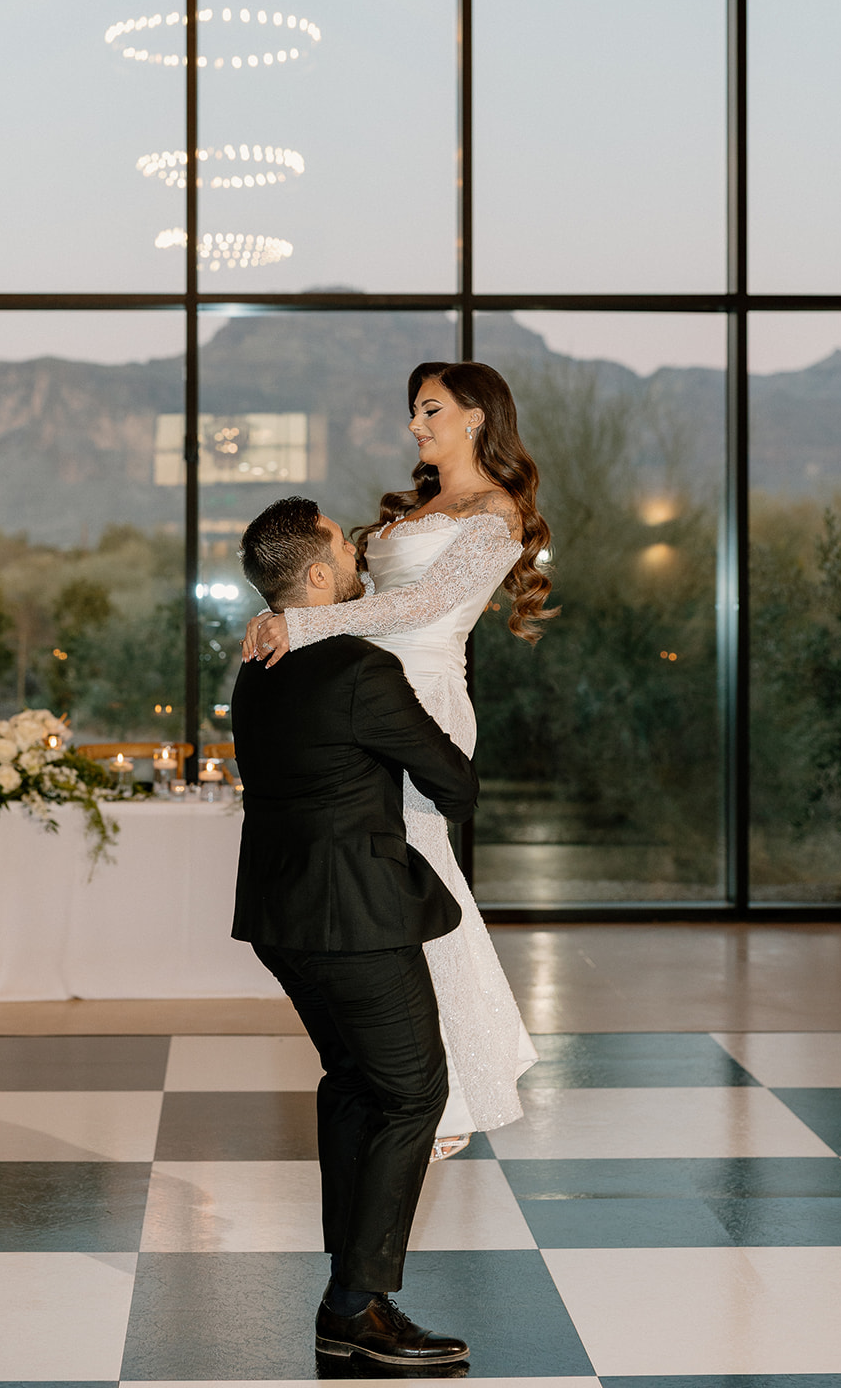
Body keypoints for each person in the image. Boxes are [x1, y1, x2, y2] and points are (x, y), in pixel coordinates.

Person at [243, 360, 556, 1158]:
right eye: (413, 412)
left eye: (429, 410)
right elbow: (334, 588)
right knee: (396, 882)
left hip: (421, 696)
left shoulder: (496, 514)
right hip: (361, 690)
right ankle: (416, 1066)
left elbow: (423, 605)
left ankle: (451, 1091)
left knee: (420, 882)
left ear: (477, 417)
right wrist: (281, 617)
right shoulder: (422, 506)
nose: (415, 426)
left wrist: (304, 631)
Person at [232, 495, 474, 1367]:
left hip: (278, 914)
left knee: (352, 1083)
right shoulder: (359, 670)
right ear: (322, 574)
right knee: (413, 1094)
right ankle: (354, 1306)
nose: (359, 548)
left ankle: (348, 1290)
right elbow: (450, 775)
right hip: (356, 918)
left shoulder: (255, 666)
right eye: (345, 541)